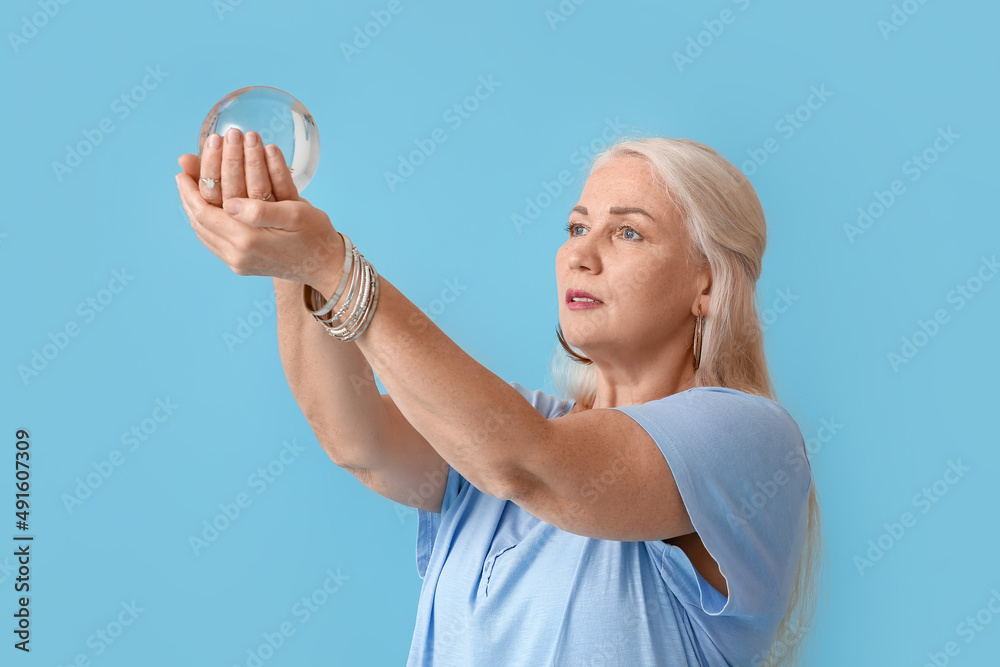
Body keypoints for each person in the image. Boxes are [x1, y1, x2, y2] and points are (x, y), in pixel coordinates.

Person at [175, 131, 823, 666]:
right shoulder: (512, 424)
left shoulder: (747, 438)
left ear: (706, 285)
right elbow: (359, 440)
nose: (581, 255)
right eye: (576, 226)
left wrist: (333, 265)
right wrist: (294, 266)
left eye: (628, 233)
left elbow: (526, 461)